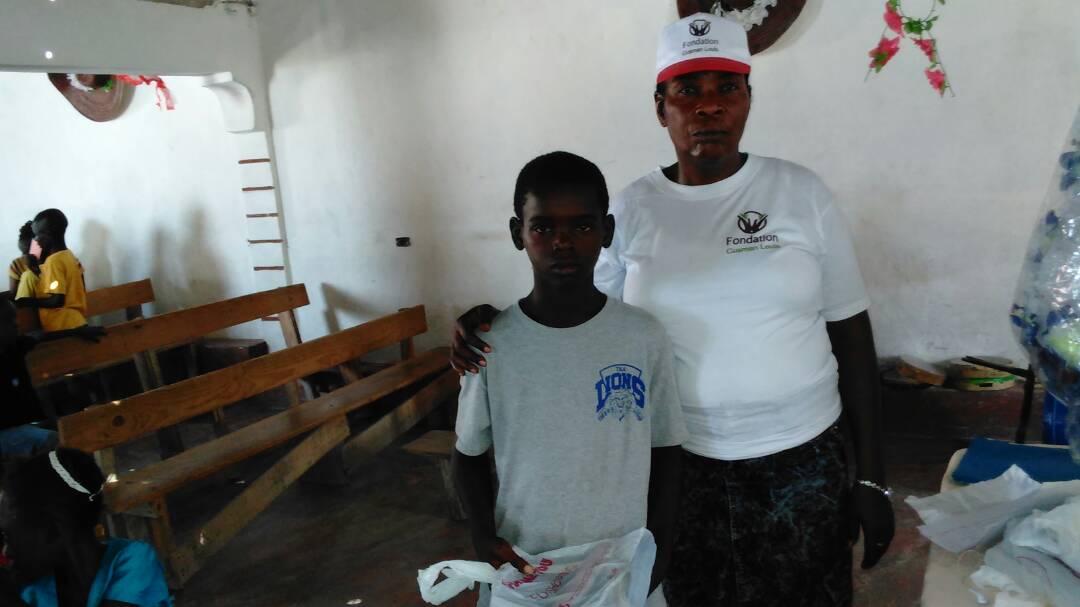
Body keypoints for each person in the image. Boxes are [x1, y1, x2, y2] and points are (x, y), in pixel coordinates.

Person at [451, 13, 894, 606]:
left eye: (726, 87)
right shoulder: (633, 208)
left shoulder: (801, 193)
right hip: (679, 467)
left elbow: (853, 337)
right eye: (687, 90)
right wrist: (490, 324)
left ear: (748, 99)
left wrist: (871, 477)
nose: (708, 106)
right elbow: (578, 310)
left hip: (802, 458)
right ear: (661, 108)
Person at [452, 151, 688, 606]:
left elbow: (667, 452)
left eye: (582, 226)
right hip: (525, 567)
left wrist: (658, 552)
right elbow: (468, 453)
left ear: (607, 232)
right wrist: (482, 536)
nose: (562, 242)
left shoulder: (642, 336)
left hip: (622, 566)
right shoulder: (492, 344)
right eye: (543, 227)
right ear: (518, 234)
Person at [0, 448, 172, 607]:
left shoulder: (134, 561)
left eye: (8, 538)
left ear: (54, 531)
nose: (5, 552)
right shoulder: (37, 588)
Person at [0, 299, 103, 461]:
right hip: (6, 433)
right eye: (7, 320)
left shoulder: (15, 345)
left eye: (15, 318)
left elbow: (39, 336)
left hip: (27, 425)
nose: (15, 324)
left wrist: (76, 332)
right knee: (61, 444)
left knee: (75, 435)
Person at [7, 223, 39, 300]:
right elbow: (13, 294)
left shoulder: (51, 261)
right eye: (24, 252)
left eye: (28, 252)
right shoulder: (16, 264)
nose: (24, 257)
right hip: (26, 303)